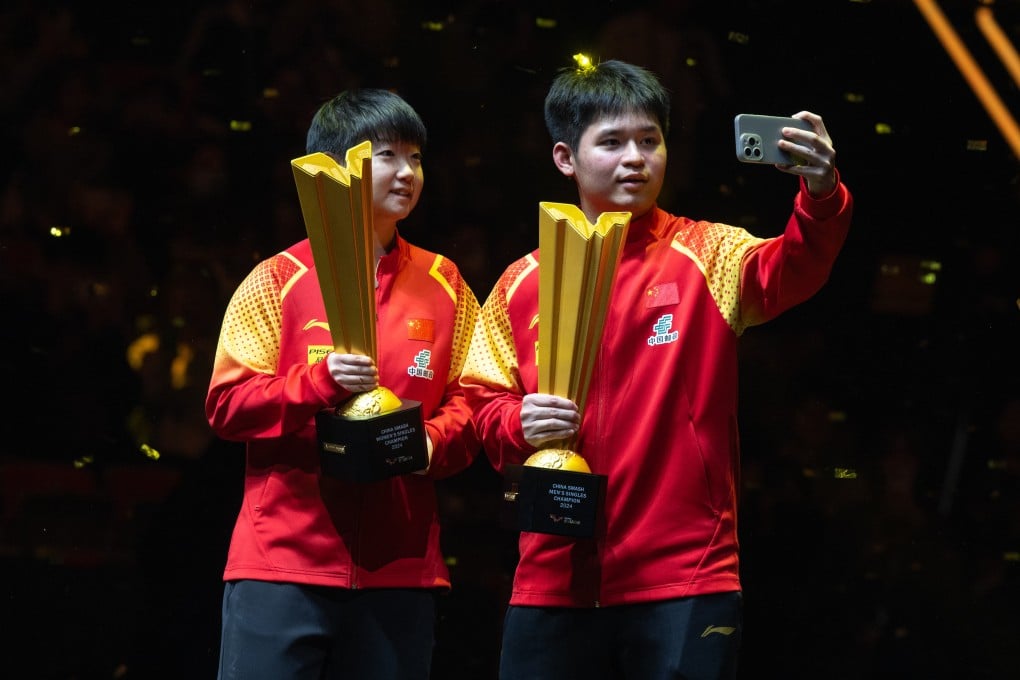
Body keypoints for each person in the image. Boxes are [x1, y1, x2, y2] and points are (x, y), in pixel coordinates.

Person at [460, 59, 853, 679]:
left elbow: (795, 267)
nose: (635, 158)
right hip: (552, 581)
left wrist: (822, 194)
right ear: (566, 158)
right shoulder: (520, 283)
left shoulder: (710, 253)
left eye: (650, 140)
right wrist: (518, 421)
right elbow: (479, 405)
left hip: (685, 577)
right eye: (611, 142)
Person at [205, 88, 480, 680]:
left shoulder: (447, 282)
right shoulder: (277, 278)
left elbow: (473, 404)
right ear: (335, 168)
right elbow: (226, 405)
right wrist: (316, 383)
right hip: (282, 564)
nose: (407, 172)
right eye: (386, 155)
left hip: (401, 571)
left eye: (416, 157)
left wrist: (428, 443)